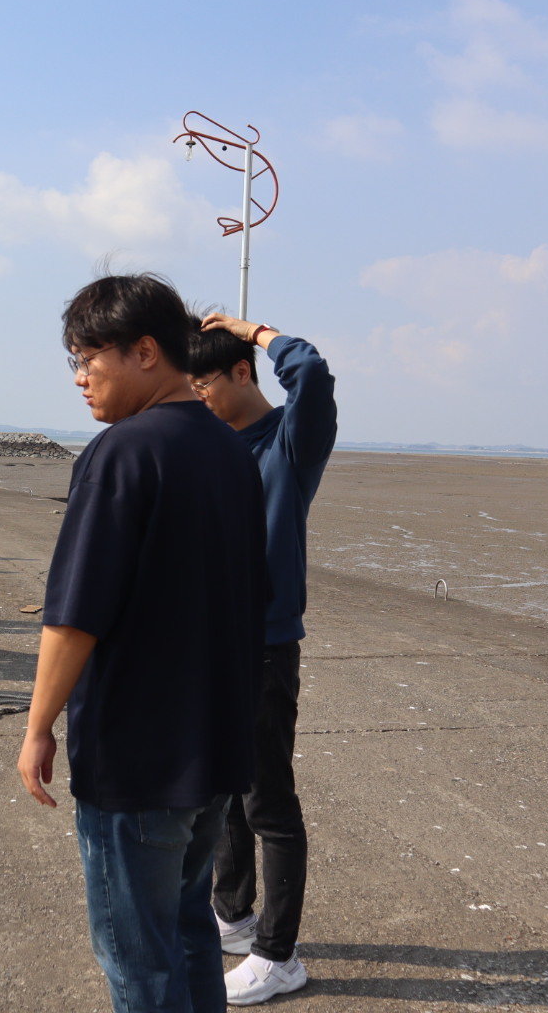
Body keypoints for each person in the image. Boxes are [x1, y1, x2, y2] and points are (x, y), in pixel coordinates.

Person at [18, 274, 267, 1013]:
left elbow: (74, 616)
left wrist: (37, 726)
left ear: (146, 352)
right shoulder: (232, 452)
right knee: (190, 933)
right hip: (213, 749)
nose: (80, 378)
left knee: (136, 959)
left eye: (88, 359)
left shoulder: (121, 453)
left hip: (138, 757)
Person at [189, 311, 337, 1005]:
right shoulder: (216, 447)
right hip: (212, 644)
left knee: (268, 801)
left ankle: (279, 955)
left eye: (205, 383)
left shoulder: (290, 441)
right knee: (223, 791)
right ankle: (233, 914)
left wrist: (253, 330)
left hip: (266, 646)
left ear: (242, 373)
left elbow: (311, 372)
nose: (198, 397)